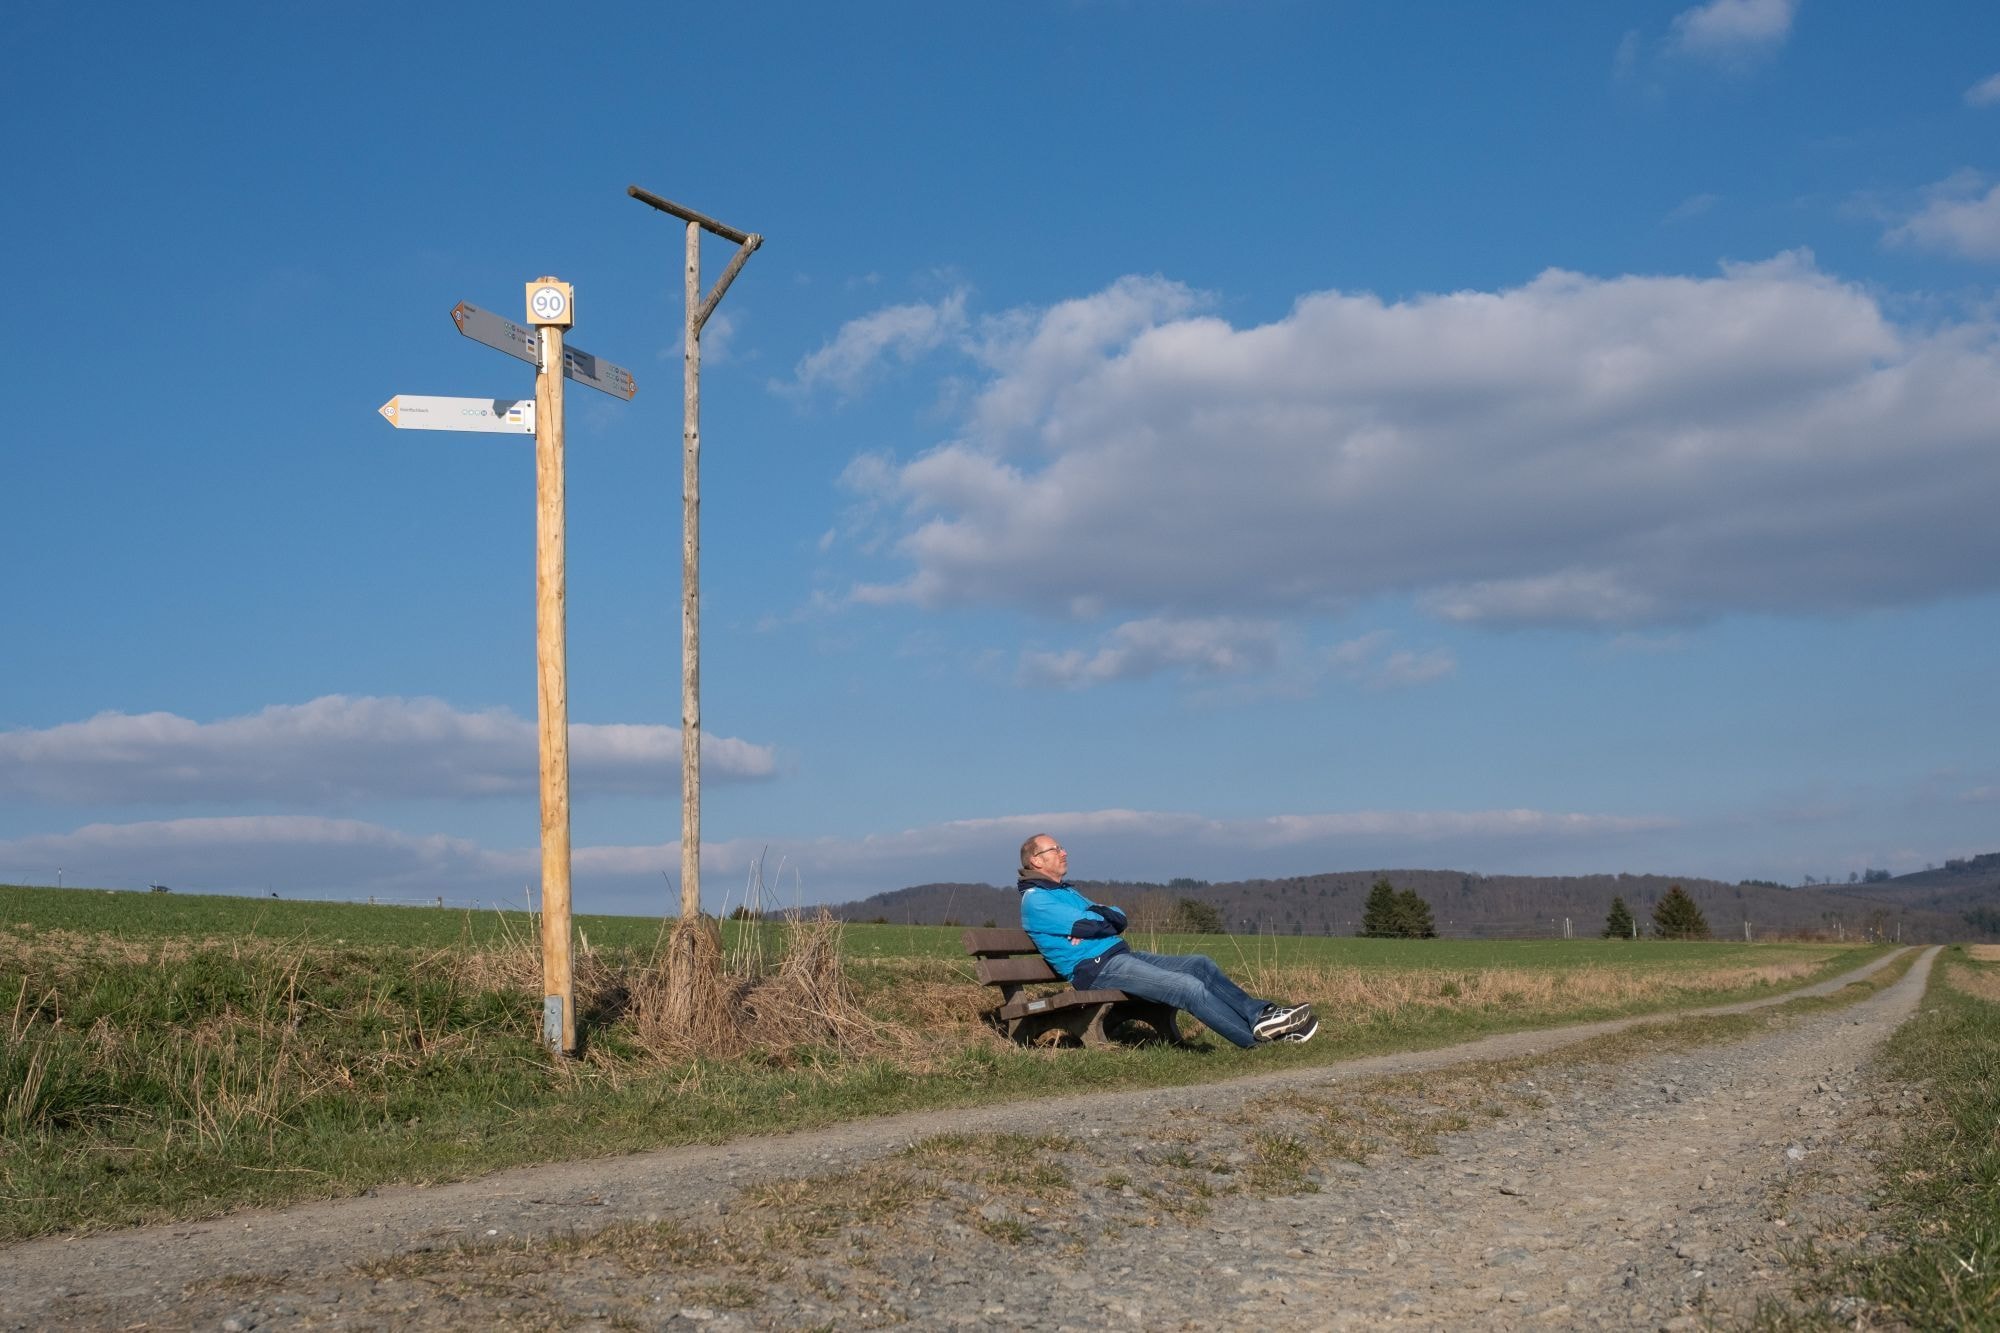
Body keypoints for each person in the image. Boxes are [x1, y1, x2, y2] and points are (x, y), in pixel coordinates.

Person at [1015, 834, 1317, 1047]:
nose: (1063, 852)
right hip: (1096, 969)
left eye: (1061, 847)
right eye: (1055, 849)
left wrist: (1098, 918)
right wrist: (1096, 920)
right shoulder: (1037, 900)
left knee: (1199, 964)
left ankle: (1261, 1016)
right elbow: (1091, 924)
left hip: (1116, 956)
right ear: (1036, 860)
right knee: (1187, 987)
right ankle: (1256, 1044)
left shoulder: (1064, 891)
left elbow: (1117, 918)